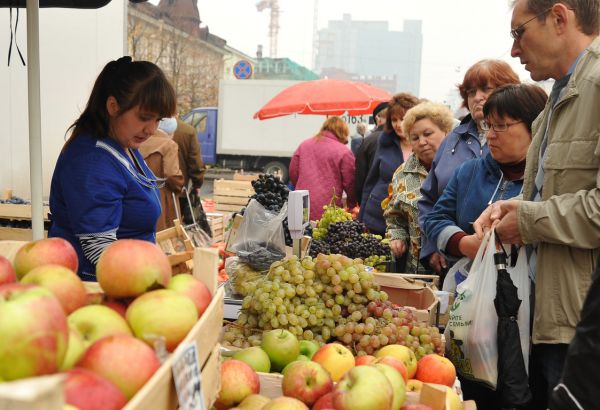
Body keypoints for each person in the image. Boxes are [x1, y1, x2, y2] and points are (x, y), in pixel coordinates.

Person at [474, 1, 600, 407]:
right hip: (548, 320)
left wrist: (527, 221)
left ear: (559, 19)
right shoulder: (556, 104)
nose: (514, 51)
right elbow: (549, 200)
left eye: (519, 33)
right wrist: (510, 212)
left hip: (583, 330)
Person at [48, 57, 176, 280]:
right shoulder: (92, 162)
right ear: (113, 106)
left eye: (158, 119)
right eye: (144, 117)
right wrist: (148, 281)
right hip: (97, 287)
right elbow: (99, 248)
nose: (151, 129)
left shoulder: (124, 144)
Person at [418, 60, 520, 273]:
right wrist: (438, 244)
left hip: (511, 265)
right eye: (471, 92)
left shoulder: (527, 145)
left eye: (486, 89)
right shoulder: (452, 140)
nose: (477, 98)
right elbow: (429, 202)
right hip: (455, 262)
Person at [382, 102, 454, 274]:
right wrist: (397, 238)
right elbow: (394, 219)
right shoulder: (402, 174)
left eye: (428, 134)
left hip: (455, 269)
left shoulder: (462, 168)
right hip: (415, 272)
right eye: (415, 138)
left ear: (445, 131)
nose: (422, 142)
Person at [358, 93, 420, 236]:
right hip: (378, 216)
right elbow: (370, 182)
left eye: (402, 119)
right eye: (394, 120)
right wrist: (361, 219)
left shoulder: (425, 145)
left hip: (413, 222)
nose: (398, 124)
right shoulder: (384, 142)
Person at [289, 116, 356, 221]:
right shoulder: (344, 152)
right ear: (342, 132)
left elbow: (293, 173)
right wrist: (352, 204)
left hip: (302, 203)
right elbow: (350, 183)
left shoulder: (304, 145)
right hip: (328, 208)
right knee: (323, 234)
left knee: (301, 235)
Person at [139, 117, 184, 231]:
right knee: (163, 237)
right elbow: (171, 174)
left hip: (138, 193)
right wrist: (179, 185)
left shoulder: (138, 142)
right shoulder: (169, 144)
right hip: (161, 196)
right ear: (171, 131)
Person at [172, 117, 206, 225]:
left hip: (152, 190)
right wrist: (197, 184)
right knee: (177, 227)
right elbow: (195, 162)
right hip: (179, 190)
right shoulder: (188, 130)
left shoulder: (149, 127)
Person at [354, 101, 388, 201]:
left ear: (378, 119)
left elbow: (360, 176)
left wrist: (361, 202)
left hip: (373, 199)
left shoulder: (368, 141)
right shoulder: (406, 139)